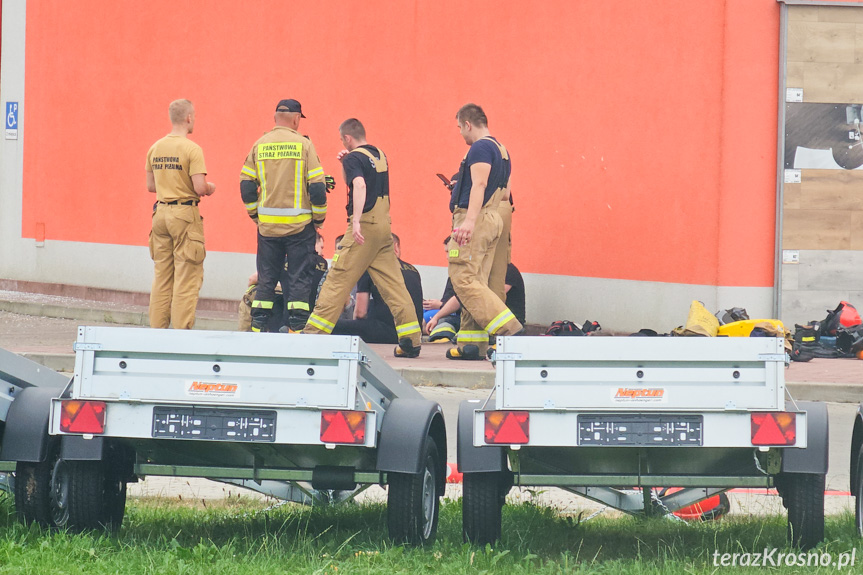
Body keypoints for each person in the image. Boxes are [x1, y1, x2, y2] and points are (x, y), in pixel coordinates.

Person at [304, 118, 422, 358]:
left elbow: (359, 184)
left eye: (342, 140)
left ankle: (312, 337)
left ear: (347, 138)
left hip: (364, 227)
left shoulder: (353, 158)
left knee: (337, 280)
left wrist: (356, 220)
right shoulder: (379, 154)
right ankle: (411, 340)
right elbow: (366, 178)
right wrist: (344, 164)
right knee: (394, 285)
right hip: (383, 228)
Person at [240, 99, 328, 333]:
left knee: (266, 279)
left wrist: (255, 216)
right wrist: (318, 220)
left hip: (267, 228)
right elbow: (318, 188)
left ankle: (258, 328)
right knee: (299, 279)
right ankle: (297, 330)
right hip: (299, 227)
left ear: (275, 117)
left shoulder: (259, 144)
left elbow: (246, 185)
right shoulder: (304, 145)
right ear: (297, 118)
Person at [445, 103, 522, 359]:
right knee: (478, 281)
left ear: (468, 124)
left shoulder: (480, 147)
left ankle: (508, 329)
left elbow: (479, 183)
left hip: (475, 219)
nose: (460, 134)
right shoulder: (502, 150)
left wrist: (468, 221)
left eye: (459, 128)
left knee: (463, 278)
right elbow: (504, 192)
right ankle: (473, 344)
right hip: (492, 218)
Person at [146, 99, 216, 330]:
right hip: (184, 214)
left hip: (160, 213)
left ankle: (157, 331)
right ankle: (180, 335)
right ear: (188, 118)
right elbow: (199, 187)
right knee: (186, 277)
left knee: (162, 277)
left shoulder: (155, 147)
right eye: (193, 115)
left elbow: (151, 186)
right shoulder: (191, 149)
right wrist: (210, 188)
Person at [332, 233, 423, 344]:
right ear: (394, 247)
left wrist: (356, 327)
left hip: (384, 332)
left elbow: (360, 313)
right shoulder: (413, 270)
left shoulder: (370, 268)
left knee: (331, 325)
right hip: (410, 335)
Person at [238, 231, 327, 331]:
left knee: (252, 291)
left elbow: (253, 279)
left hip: (288, 319)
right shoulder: (323, 264)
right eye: (321, 247)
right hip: (312, 318)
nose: (322, 251)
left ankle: (250, 330)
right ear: (314, 243)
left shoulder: (284, 261)